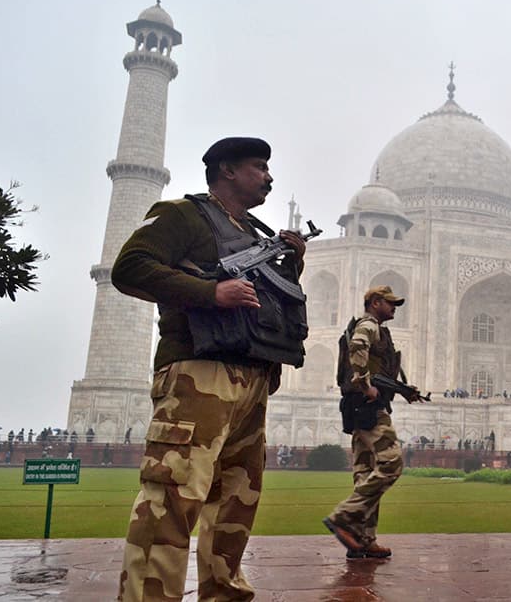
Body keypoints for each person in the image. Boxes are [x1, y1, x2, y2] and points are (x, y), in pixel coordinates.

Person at [111, 137, 309, 601]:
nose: (269, 177)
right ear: (227, 171)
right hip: (198, 373)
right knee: (172, 498)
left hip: (252, 377)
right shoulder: (184, 215)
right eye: (259, 167)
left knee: (235, 502)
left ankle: (224, 592)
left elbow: (269, 305)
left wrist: (291, 263)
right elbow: (130, 267)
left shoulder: (259, 234)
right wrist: (209, 294)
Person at [324, 285, 426, 559]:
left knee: (366, 472)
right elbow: (358, 346)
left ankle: (362, 538)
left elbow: (379, 369)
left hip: (358, 406)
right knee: (391, 463)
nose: (394, 308)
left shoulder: (379, 330)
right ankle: (344, 517)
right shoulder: (368, 325)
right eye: (390, 303)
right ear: (375, 302)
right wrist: (364, 383)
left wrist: (406, 391)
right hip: (367, 406)